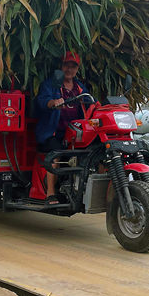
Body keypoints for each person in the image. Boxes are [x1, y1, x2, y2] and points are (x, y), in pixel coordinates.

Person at [35, 51, 91, 204]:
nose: (69, 69)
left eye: (73, 66)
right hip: (51, 133)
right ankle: (50, 194)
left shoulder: (80, 88)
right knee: (56, 154)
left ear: (77, 69)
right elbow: (42, 101)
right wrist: (53, 103)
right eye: (67, 65)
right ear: (61, 66)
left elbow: (90, 103)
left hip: (73, 134)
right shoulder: (51, 84)